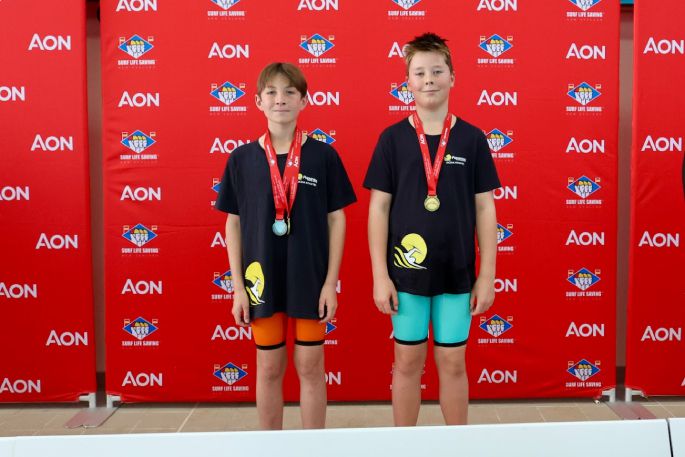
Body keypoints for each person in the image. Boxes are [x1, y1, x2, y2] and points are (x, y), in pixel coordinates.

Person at [364, 33, 500, 426]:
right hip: (405, 272)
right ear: (407, 82)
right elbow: (379, 208)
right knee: (407, 359)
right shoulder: (391, 139)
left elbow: (485, 208)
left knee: (453, 360)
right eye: (419, 72)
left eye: (437, 71)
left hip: (457, 271)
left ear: (453, 78)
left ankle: (456, 444)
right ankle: (405, 445)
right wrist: (379, 275)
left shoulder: (473, 139)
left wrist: (487, 275)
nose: (429, 79)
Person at [215, 62, 356, 430]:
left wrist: (329, 283)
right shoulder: (242, 159)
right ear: (258, 101)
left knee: (311, 366)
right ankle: (270, 446)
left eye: (290, 92)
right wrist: (238, 288)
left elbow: (336, 219)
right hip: (260, 279)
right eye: (273, 93)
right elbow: (233, 223)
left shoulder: (324, 156)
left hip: (309, 277)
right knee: (268, 365)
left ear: (304, 101)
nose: (281, 100)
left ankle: (313, 448)